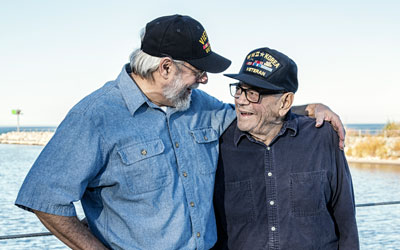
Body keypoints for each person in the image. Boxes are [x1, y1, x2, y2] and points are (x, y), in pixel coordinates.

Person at [15, 15, 345, 250]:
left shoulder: (197, 104)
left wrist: (309, 107)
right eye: (199, 71)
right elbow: (45, 198)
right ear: (166, 67)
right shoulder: (95, 117)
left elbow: (251, 112)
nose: (204, 80)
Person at [213, 47, 359, 250]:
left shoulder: (322, 136)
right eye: (239, 89)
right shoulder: (217, 145)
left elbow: (346, 219)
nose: (241, 99)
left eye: (253, 93)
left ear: (285, 102)